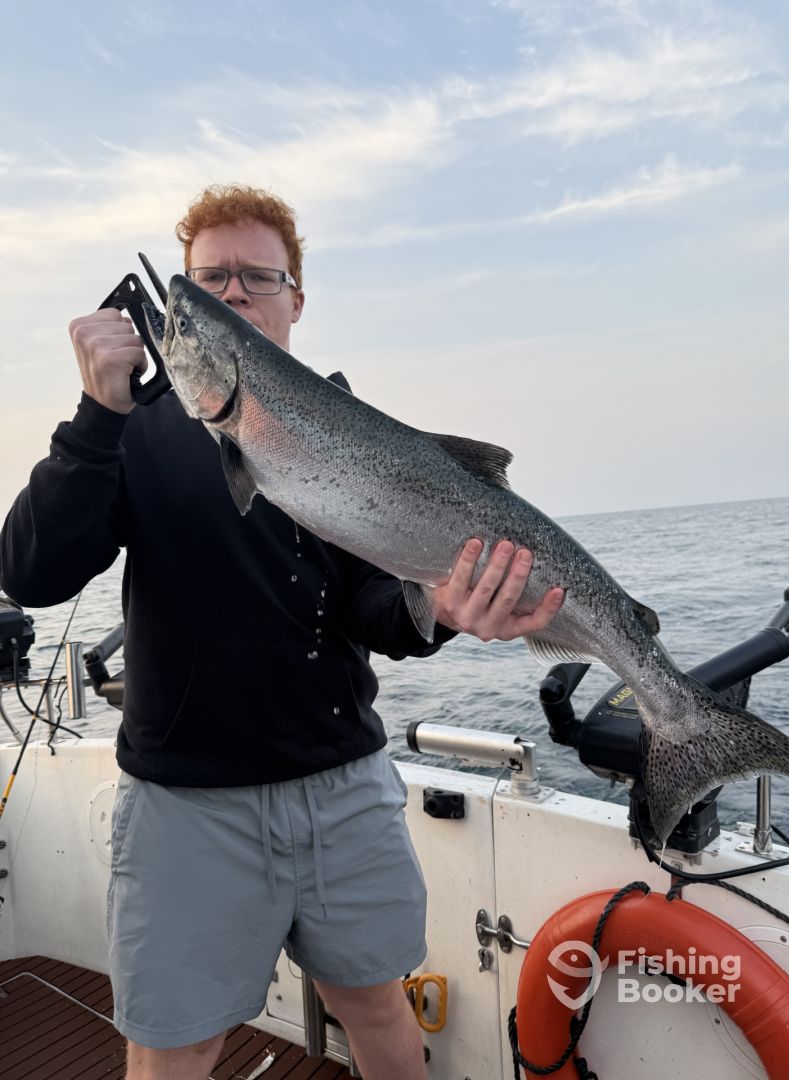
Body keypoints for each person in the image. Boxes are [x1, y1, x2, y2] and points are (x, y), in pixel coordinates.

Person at [0, 185, 563, 1080]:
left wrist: (444, 612)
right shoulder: (132, 430)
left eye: (257, 277)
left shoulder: (357, 435)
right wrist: (97, 417)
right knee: (176, 1045)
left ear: (296, 298)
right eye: (209, 279)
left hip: (342, 785)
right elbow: (31, 573)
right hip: (186, 802)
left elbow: (376, 611)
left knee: (376, 1004)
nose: (233, 292)